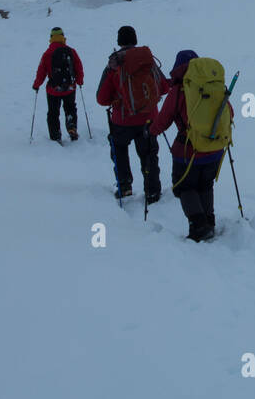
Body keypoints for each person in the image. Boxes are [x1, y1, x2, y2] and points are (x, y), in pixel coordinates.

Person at [150, 50, 233, 241]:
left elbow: (163, 120)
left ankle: (198, 226)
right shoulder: (215, 87)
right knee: (205, 184)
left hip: (188, 151)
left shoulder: (179, 91)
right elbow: (230, 113)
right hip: (215, 148)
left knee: (184, 187)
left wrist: (151, 131)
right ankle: (209, 222)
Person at [96, 26, 165, 203]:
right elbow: (163, 86)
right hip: (148, 118)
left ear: (119, 41)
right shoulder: (147, 60)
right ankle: (152, 191)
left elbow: (102, 98)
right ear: (135, 39)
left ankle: (124, 187)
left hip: (122, 120)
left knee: (119, 151)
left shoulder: (114, 64)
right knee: (149, 154)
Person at [32, 27, 84, 143]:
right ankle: (71, 126)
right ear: (62, 37)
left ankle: (55, 136)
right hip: (70, 87)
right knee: (70, 108)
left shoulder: (47, 54)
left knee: (53, 112)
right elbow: (78, 67)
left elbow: (41, 72)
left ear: (51, 38)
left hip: (53, 89)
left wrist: (36, 85)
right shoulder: (71, 51)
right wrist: (79, 81)